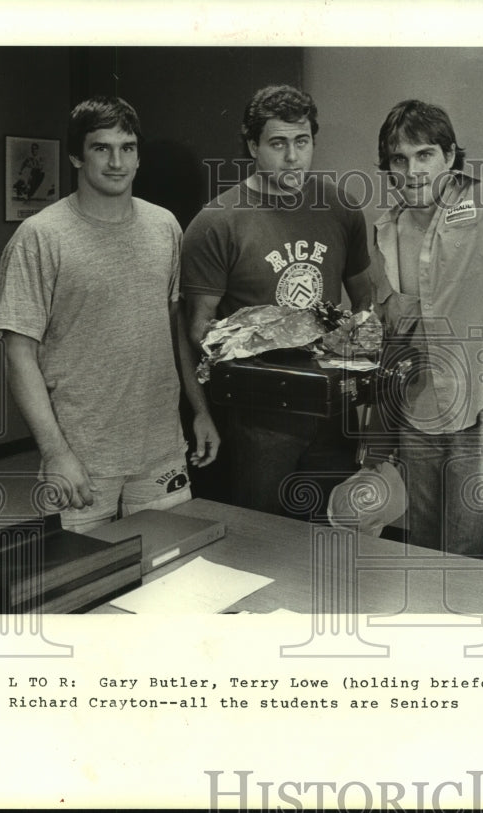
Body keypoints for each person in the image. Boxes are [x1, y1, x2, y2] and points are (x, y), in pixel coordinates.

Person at [0, 96, 219, 533]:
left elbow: (173, 329)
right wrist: (55, 453)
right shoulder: (41, 237)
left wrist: (200, 410)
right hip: (82, 456)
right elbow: (19, 354)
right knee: (82, 589)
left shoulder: (165, 227)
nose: (117, 161)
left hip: (160, 450)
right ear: (77, 155)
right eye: (101, 148)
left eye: (128, 147)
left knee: (169, 577)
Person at [181, 85, 373, 518]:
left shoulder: (339, 207)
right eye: (278, 143)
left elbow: (366, 298)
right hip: (259, 417)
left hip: (332, 408)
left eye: (302, 142)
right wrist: (264, 340)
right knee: (262, 537)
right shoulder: (217, 221)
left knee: (333, 529)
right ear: (252, 145)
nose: (292, 157)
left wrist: (356, 348)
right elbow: (195, 328)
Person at [370, 99, 483, 555]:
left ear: (449, 156)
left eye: (425, 154)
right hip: (416, 411)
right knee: (421, 545)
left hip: (479, 413)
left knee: (469, 551)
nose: (413, 170)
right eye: (399, 159)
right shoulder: (384, 231)